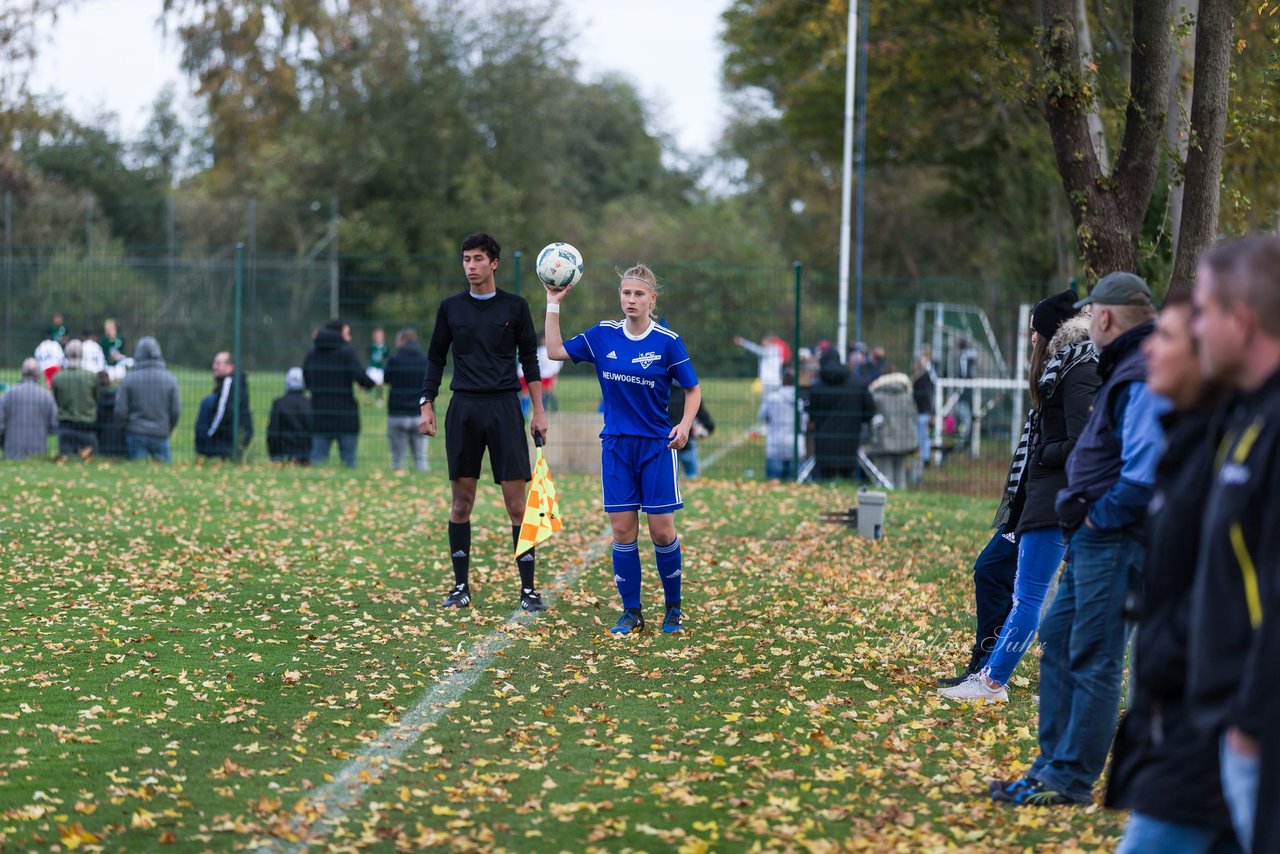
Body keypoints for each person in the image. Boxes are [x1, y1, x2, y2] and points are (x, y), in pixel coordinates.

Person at [991, 271, 1165, 806]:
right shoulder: (1123, 366)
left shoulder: (1138, 372)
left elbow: (1144, 469)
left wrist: (1095, 517)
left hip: (1113, 537)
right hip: (1095, 534)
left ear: (1105, 317)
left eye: (1092, 315)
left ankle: (1069, 778)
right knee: (1060, 637)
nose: (1088, 324)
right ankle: (1050, 766)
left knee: (1095, 654)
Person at [1104, 290, 1239, 852]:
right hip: (1175, 718)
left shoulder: (1228, 456)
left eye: (1168, 338)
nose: (1150, 350)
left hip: (1203, 728)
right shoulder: (1188, 443)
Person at [942, 292, 1099, 702]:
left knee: (1029, 596)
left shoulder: (1078, 369)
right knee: (1049, 596)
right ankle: (1013, 676)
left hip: (1056, 501)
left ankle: (992, 680)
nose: (1031, 339)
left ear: (1051, 333)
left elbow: (1083, 440)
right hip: (1046, 500)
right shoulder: (1062, 368)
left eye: (1035, 331)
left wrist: (1043, 455)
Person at [542, 263, 700, 634]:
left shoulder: (667, 341)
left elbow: (692, 389)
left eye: (639, 294)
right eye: (626, 293)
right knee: (623, 531)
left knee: (662, 532)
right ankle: (632, 613)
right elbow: (553, 350)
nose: (631, 300)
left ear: (652, 299)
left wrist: (685, 424)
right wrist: (553, 303)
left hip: (656, 447)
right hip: (616, 447)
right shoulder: (603, 335)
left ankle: (673, 609)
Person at [1188, 236, 1280, 853]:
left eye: (1202, 312)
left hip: (1259, 734)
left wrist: (1249, 722)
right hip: (1226, 725)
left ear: (1241, 319)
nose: (1194, 328)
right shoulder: (1242, 413)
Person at [419, 233, 549, 613]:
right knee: (461, 502)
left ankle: (528, 591)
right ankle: (460, 586)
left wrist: (538, 411)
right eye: (465, 259)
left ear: (494, 263)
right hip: (464, 410)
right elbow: (435, 358)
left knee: (516, 504)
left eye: (478, 259)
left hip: (506, 408)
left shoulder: (516, 307)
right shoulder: (450, 309)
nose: (470, 266)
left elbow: (531, 362)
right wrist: (427, 403)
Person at [304, 320, 375, 467]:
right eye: (348, 333)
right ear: (340, 333)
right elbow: (359, 376)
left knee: (318, 461)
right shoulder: (346, 352)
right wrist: (371, 383)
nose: (349, 338)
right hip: (345, 415)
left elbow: (307, 379)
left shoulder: (312, 353)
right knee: (349, 462)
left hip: (320, 414)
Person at [807, 348, 875, 481]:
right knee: (847, 482)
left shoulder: (817, 387)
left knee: (824, 482)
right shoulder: (858, 384)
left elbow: (812, 414)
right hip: (849, 443)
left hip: (824, 445)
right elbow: (869, 410)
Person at [115, 337, 181, 462]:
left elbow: (120, 410)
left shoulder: (129, 379)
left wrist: (126, 428)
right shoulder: (170, 379)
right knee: (164, 475)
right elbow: (175, 411)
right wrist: (167, 428)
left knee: (138, 472)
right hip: (161, 433)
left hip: (136, 433)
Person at [384, 328, 430, 472]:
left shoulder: (394, 360)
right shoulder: (425, 359)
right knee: (421, 457)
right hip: (419, 413)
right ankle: (423, 482)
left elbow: (386, 379)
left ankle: (398, 479)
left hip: (398, 413)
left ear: (402, 340)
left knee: (398, 458)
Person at [866, 370, 919, 489]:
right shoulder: (907, 395)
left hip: (884, 439)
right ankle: (902, 497)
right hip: (903, 439)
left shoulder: (876, 396)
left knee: (885, 472)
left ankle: (887, 496)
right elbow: (913, 415)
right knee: (900, 470)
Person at [196, 351, 253, 460]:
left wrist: (209, 435)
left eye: (218, 363)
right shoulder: (239, 383)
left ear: (230, 367)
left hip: (223, 443)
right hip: (231, 442)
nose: (214, 367)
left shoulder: (229, 382)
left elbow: (222, 412)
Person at [50, 339, 100, 459]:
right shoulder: (91, 377)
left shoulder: (57, 378)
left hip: (65, 427)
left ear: (66, 355)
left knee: (67, 458)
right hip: (87, 427)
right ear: (82, 355)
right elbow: (96, 398)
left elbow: (56, 400)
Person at [0, 358, 57, 459]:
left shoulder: (8, 394)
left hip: (12, 451)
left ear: (21, 371)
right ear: (39, 373)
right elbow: (53, 426)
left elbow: (1, 424)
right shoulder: (47, 396)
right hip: (39, 450)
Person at [759, 367, 806, 480]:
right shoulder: (800, 400)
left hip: (775, 446)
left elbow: (761, 415)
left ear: (783, 381)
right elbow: (804, 423)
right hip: (795, 448)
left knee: (773, 486)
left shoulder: (772, 398)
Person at [267, 367, 313, 464]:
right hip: (304, 453)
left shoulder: (279, 403)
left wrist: (274, 454)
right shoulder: (309, 404)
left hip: (282, 452)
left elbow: (273, 430)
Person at [669, 381, 713, 478]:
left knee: (667, 480)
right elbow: (707, 422)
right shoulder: (690, 394)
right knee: (692, 476)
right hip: (685, 442)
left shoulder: (659, 392)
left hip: (666, 443)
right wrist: (705, 429)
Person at [912, 345, 936, 482]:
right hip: (920, 412)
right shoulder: (918, 377)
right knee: (922, 436)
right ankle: (923, 458)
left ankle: (925, 459)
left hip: (923, 412)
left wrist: (931, 412)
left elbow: (928, 396)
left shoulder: (924, 377)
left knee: (924, 436)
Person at [94, 371, 127, 459]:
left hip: (102, 442)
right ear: (109, 381)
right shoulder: (119, 396)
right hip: (119, 442)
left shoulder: (95, 399)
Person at [367, 327, 389, 406]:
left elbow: (386, 357)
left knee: (379, 385)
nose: (379, 337)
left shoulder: (385, 347)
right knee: (369, 383)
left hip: (380, 368)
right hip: (373, 368)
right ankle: (368, 399)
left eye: (380, 335)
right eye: (377, 335)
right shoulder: (372, 346)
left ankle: (379, 399)